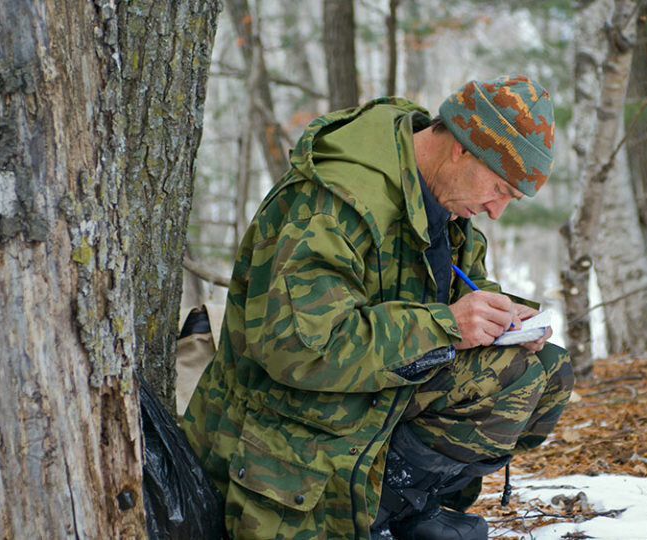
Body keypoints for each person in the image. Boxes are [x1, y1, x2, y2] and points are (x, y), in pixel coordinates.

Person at [181, 75, 575, 540]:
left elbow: (455, 287)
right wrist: (448, 326)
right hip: (286, 428)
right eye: (500, 189)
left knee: (545, 370)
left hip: (369, 392)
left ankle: (402, 508)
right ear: (463, 148)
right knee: (503, 371)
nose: (497, 211)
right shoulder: (335, 203)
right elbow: (299, 349)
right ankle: (369, 512)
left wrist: (500, 315)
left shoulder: (444, 199)